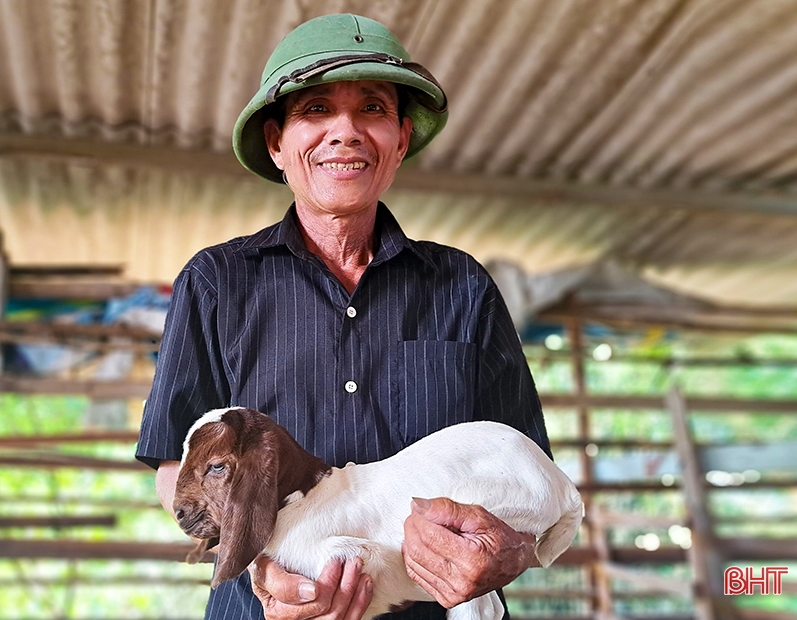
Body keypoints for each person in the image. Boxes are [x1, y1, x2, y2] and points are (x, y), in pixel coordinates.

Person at [136, 13, 550, 620]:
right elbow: (176, 467)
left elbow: (527, 466)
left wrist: (509, 550)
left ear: (401, 140)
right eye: (316, 110)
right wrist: (265, 566)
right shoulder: (217, 282)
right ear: (277, 143)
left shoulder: (463, 286)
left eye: (374, 109)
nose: (346, 132)